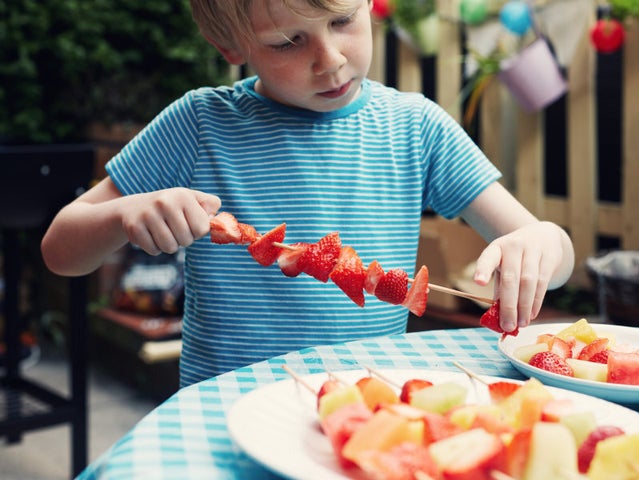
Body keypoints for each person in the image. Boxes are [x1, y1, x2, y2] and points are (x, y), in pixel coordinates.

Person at [41, 0, 574, 387]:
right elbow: (60, 250)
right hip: (225, 406)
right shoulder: (199, 125)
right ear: (231, 46)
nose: (330, 59)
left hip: (370, 404)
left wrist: (546, 243)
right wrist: (123, 214)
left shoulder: (416, 128)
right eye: (287, 42)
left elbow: (555, 255)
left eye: (342, 21)